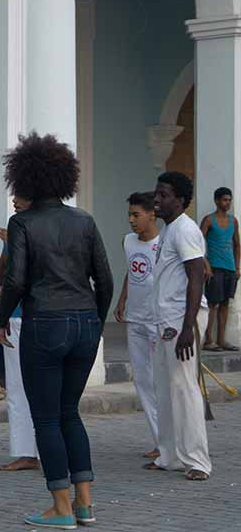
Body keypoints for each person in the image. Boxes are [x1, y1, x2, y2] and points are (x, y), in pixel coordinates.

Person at [0, 132, 113, 530]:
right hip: (85, 321)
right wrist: (95, 320)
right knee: (69, 414)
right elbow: (106, 279)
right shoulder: (85, 220)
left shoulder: (22, 222)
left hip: (45, 322)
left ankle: (60, 507)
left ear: (24, 179)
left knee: (45, 418)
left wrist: (0, 317)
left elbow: (14, 280)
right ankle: (84, 503)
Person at [149, 172, 212, 481]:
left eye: (163, 195)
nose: (156, 199)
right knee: (164, 386)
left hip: (181, 320)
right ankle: (170, 456)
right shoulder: (169, 230)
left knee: (185, 388)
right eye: (156, 193)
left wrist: (188, 327)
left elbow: (197, 276)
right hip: (167, 320)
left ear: (181, 200)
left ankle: (198, 461)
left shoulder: (185, 230)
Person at [0, 200, 40, 472]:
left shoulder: (36, 229)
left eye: (20, 195)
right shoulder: (14, 230)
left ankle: (43, 449)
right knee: (17, 386)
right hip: (15, 315)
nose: (14, 200)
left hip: (35, 315)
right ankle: (26, 451)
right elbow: (3, 278)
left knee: (38, 386)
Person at [113, 192, 162, 458]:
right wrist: (122, 300)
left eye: (136, 215)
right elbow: (132, 272)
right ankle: (159, 441)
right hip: (135, 319)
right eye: (129, 215)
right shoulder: (129, 242)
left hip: (158, 320)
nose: (132, 221)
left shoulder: (164, 242)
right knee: (143, 380)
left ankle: (172, 440)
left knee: (160, 381)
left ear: (152, 214)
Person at [199, 187, 240, 351]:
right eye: (224, 200)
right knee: (211, 304)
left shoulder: (233, 221)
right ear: (216, 201)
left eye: (229, 200)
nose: (227, 203)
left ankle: (221, 340)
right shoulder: (209, 220)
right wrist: (206, 264)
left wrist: (237, 267)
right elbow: (197, 243)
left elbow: (237, 245)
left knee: (225, 304)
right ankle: (208, 340)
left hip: (230, 268)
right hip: (214, 268)